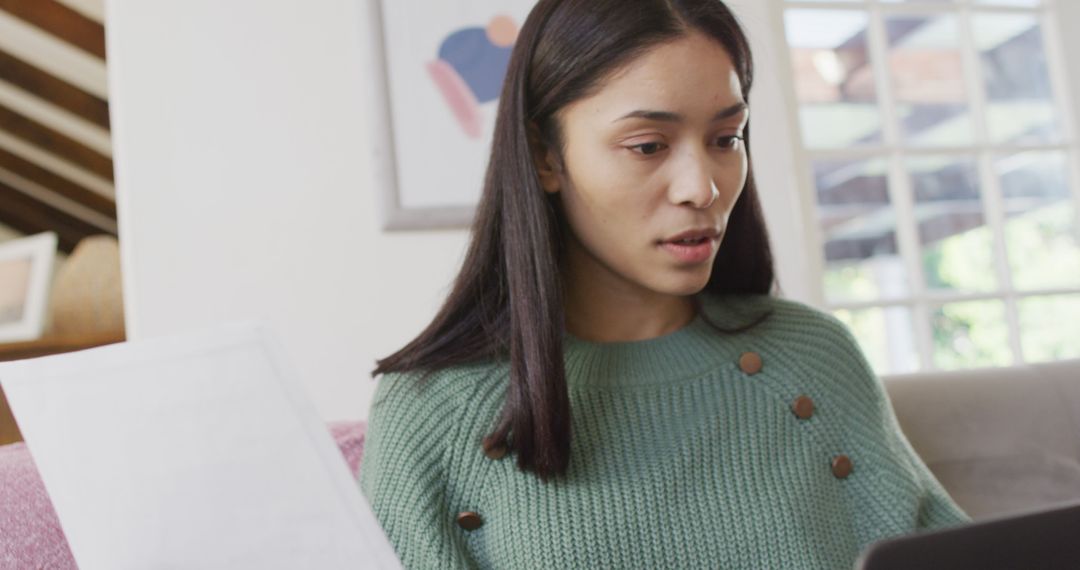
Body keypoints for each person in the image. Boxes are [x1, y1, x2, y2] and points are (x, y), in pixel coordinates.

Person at [358, 0, 971, 568]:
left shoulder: (812, 357)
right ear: (546, 156)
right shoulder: (431, 413)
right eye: (648, 145)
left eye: (726, 138)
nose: (701, 187)